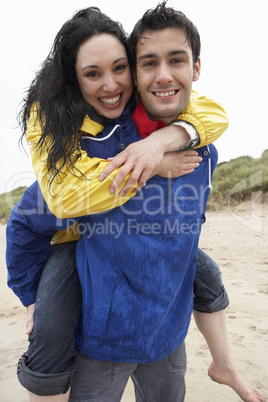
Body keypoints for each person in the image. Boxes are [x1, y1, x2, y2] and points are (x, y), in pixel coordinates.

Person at [6, 5, 264, 402]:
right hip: (93, 313)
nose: (110, 85)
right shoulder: (81, 150)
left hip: (168, 333)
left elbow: (212, 114)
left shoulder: (196, 142)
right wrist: (30, 298)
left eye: (119, 68)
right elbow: (42, 209)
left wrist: (161, 141)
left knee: (204, 269)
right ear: (76, 82)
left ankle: (224, 363)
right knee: (50, 319)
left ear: (196, 68)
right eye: (93, 73)